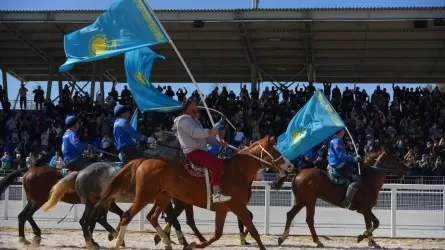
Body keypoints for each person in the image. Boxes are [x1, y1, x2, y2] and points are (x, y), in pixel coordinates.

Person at [174, 100, 231, 203]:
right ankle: (216, 193)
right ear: (189, 107)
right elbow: (195, 133)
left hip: (201, 151)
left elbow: (205, 138)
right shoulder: (184, 120)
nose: (197, 107)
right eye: (195, 105)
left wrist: (218, 142)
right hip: (193, 152)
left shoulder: (194, 121)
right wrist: (209, 131)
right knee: (217, 164)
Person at [328, 129, 362, 210]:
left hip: (336, 163)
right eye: (343, 131)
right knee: (358, 180)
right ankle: (346, 202)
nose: (344, 132)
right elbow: (340, 156)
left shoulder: (332, 140)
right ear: (340, 132)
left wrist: (351, 156)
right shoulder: (337, 141)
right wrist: (353, 158)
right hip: (339, 165)